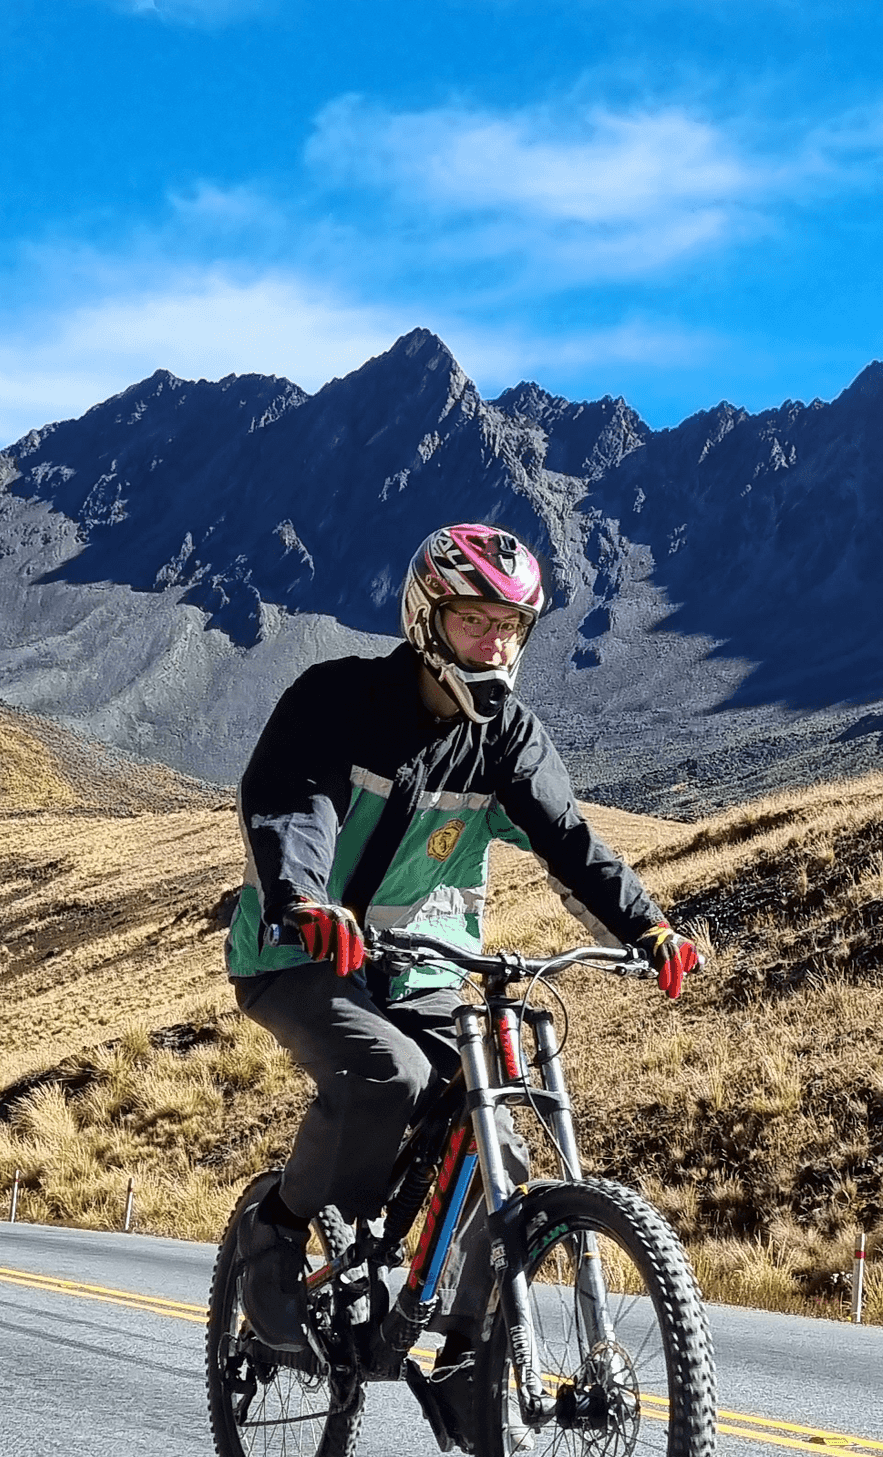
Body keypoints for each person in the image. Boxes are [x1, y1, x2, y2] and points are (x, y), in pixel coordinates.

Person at [223, 521, 702, 1357]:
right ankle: (277, 1227)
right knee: (389, 1075)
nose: (494, 643)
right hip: (298, 953)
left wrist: (647, 925)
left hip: (420, 971)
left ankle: (466, 1346)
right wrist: (304, 901)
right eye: (475, 620)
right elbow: (290, 798)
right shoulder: (340, 700)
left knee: (500, 1148)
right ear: (427, 616)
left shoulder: (508, 737)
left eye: (511, 625)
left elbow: (570, 842)